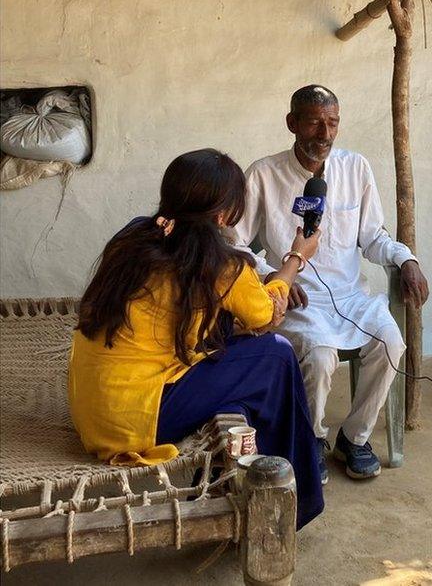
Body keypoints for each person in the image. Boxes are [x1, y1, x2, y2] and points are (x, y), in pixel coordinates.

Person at [69, 149, 324, 529]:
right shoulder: (222, 265)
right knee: (276, 356)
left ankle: (231, 480)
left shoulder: (135, 237)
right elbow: (268, 314)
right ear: (222, 215)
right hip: (136, 420)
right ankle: (291, 500)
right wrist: (295, 259)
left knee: (239, 364)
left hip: (93, 411)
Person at [230, 85, 429, 482]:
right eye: (315, 122)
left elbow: (373, 237)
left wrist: (405, 258)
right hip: (296, 301)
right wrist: (273, 274)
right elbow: (233, 244)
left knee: (391, 341)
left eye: (333, 123)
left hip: (351, 297)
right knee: (321, 356)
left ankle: (354, 438)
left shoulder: (356, 168)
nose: (324, 133)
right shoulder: (263, 174)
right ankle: (312, 439)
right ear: (292, 124)